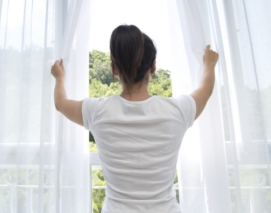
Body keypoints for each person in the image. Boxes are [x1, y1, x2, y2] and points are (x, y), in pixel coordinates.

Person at [51, 24, 219, 213]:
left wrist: (59, 78)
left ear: (113, 69)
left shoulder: (96, 111)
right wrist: (210, 65)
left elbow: (60, 103)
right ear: (153, 66)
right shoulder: (178, 110)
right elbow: (206, 89)